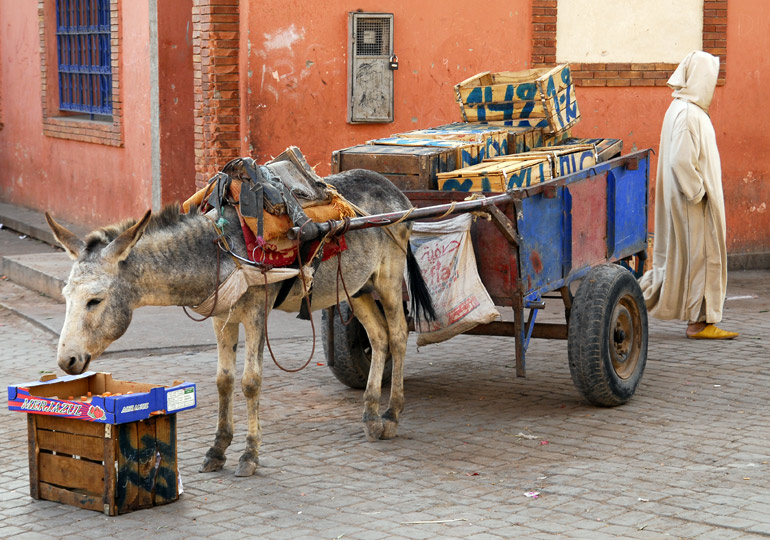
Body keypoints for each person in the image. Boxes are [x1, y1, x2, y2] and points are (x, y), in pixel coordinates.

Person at [639, 50, 738, 340]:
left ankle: (698, 318)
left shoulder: (684, 110)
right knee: (700, 261)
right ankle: (698, 323)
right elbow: (681, 161)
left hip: (690, 203)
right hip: (693, 205)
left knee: (686, 263)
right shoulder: (687, 113)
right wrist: (698, 194)